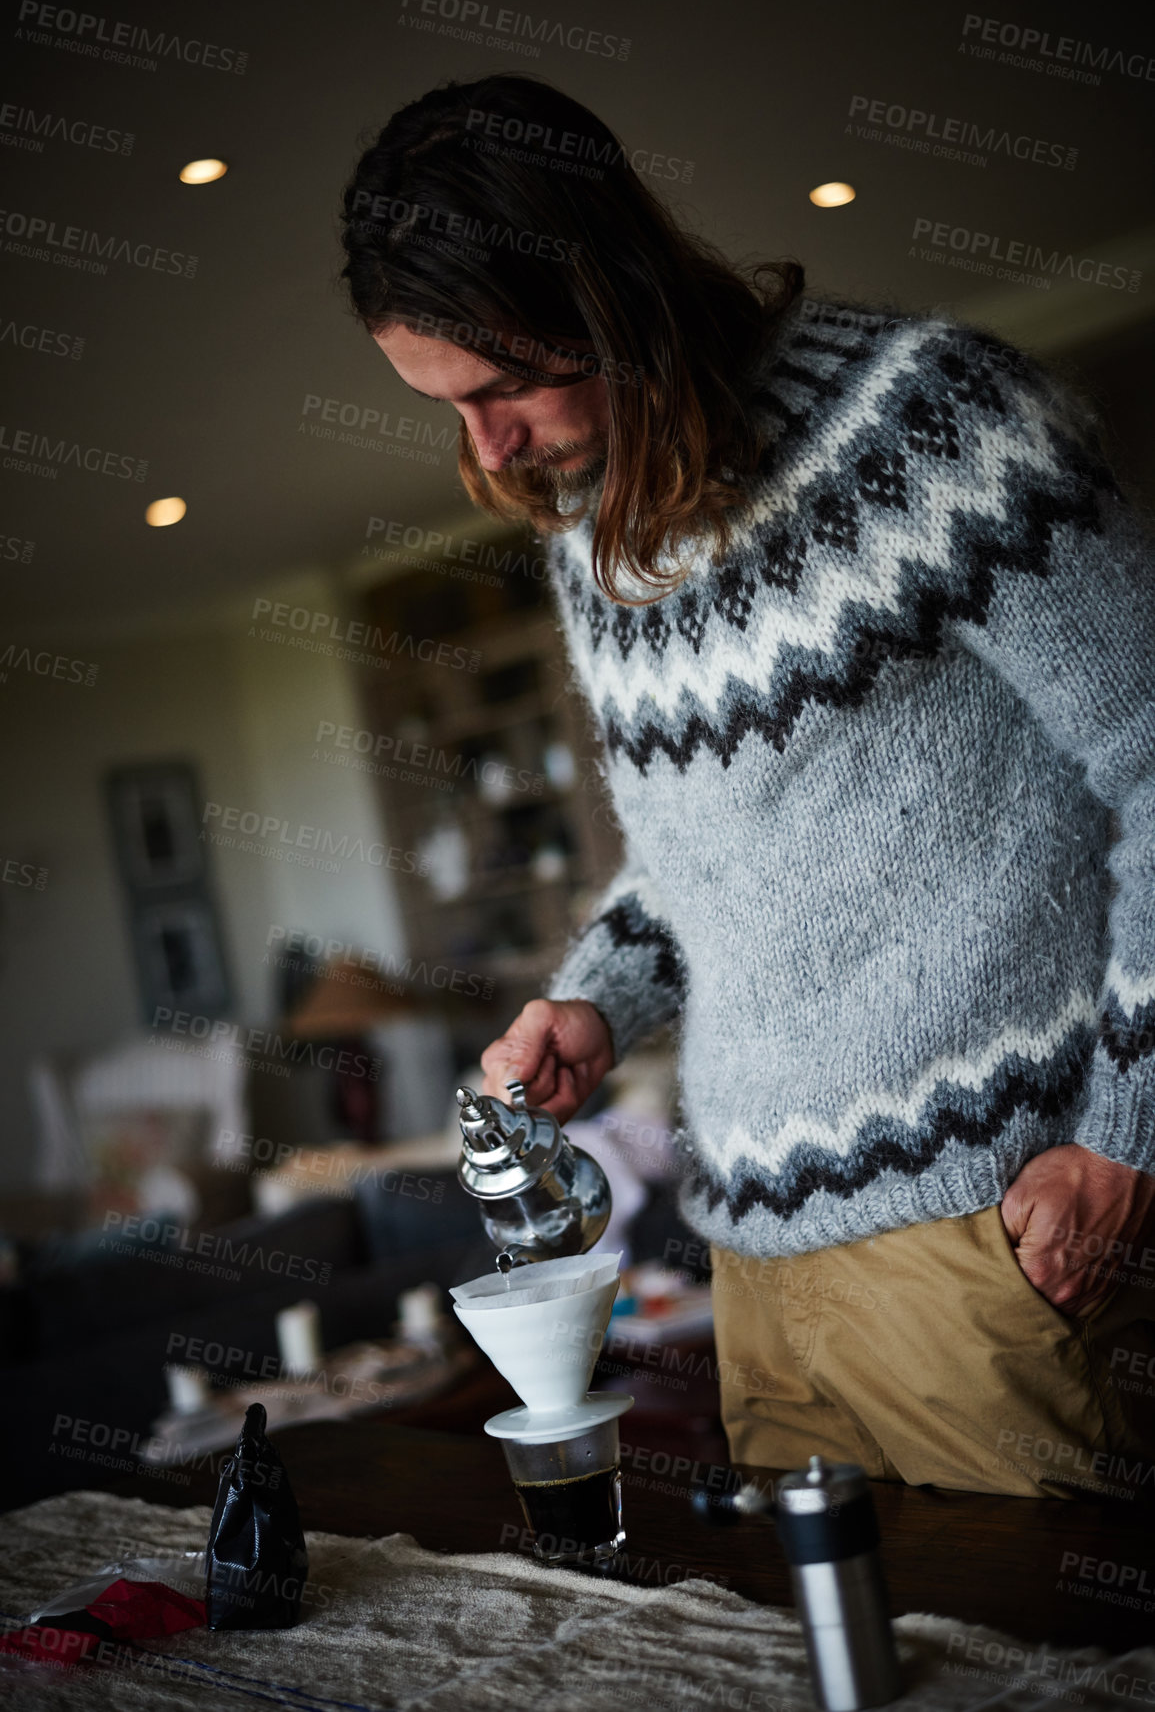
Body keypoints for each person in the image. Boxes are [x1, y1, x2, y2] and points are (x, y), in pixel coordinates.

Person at [340, 72, 1155, 1496]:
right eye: (449, 410)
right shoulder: (596, 537)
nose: (489, 451)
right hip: (758, 1278)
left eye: (505, 388)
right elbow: (696, 851)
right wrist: (596, 997)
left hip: (990, 1246)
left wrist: (1128, 1138)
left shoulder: (935, 420)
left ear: (614, 298)